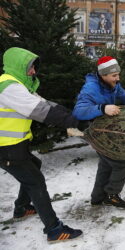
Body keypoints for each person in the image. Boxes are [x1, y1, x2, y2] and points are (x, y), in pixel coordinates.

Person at [0, 47, 88, 242]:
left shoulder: (18, 86)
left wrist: (72, 116)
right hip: (6, 149)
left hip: (14, 146)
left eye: (33, 68)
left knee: (35, 168)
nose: (33, 72)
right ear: (18, 66)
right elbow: (40, 111)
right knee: (36, 182)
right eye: (30, 68)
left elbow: (46, 104)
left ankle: (21, 208)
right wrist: (75, 122)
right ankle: (54, 229)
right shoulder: (8, 87)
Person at [73, 56, 125, 209]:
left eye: (118, 74)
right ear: (103, 75)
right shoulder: (91, 88)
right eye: (114, 75)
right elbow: (78, 111)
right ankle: (112, 195)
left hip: (103, 132)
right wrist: (102, 108)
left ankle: (97, 198)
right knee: (121, 163)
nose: (118, 78)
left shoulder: (113, 85)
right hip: (94, 132)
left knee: (106, 165)